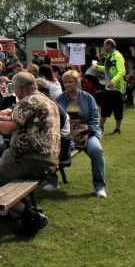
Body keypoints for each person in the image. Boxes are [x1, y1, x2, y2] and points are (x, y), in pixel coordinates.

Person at [0, 72, 60, 237]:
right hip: (48, 159)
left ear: (19, 88)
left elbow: (7, 129)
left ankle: (33, 216)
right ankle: (15, 212)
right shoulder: (45, 100)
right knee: (5, 156)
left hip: (32, 161)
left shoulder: (27, 102)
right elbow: (16, 121)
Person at [48, 70, 107, 198]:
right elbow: (54, 118)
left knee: (96, 150)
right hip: (66, 134)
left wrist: (89, 133)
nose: (67, 85)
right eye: (65, 82)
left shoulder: (87, 98)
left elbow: (94, 118)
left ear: (77, 82)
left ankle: (100, 186)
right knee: (48, 148)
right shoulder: (59, 99)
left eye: (70, 82)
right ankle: (52, 181)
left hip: (87, 133)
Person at [96, 39, 126, 135]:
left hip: (116, 88)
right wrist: (98, 68)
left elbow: (122, 71)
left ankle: (117, 129)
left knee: (117, 109)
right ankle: (100, 127)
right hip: (108, 88)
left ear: (109, 45)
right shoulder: (109, 57)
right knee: (104, 108)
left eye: (105, 45)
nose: (104, 47)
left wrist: (113, 82)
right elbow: (107, 69)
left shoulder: (118, 56)